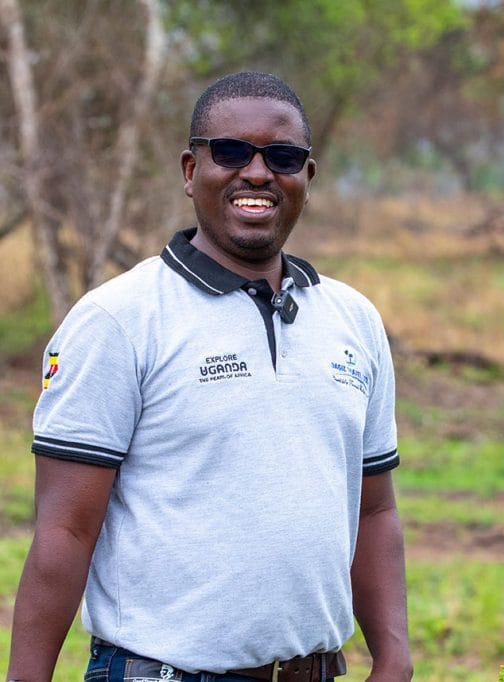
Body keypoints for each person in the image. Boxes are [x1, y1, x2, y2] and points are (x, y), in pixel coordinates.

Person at [5, 71, 412, 682]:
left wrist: (395, 658)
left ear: (307, 176)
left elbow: (374, 512)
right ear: (191, 171)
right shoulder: (119, 320)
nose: (256, 173)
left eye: (282, 157)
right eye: (229, 152)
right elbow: (65, 530)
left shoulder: (353, 320)